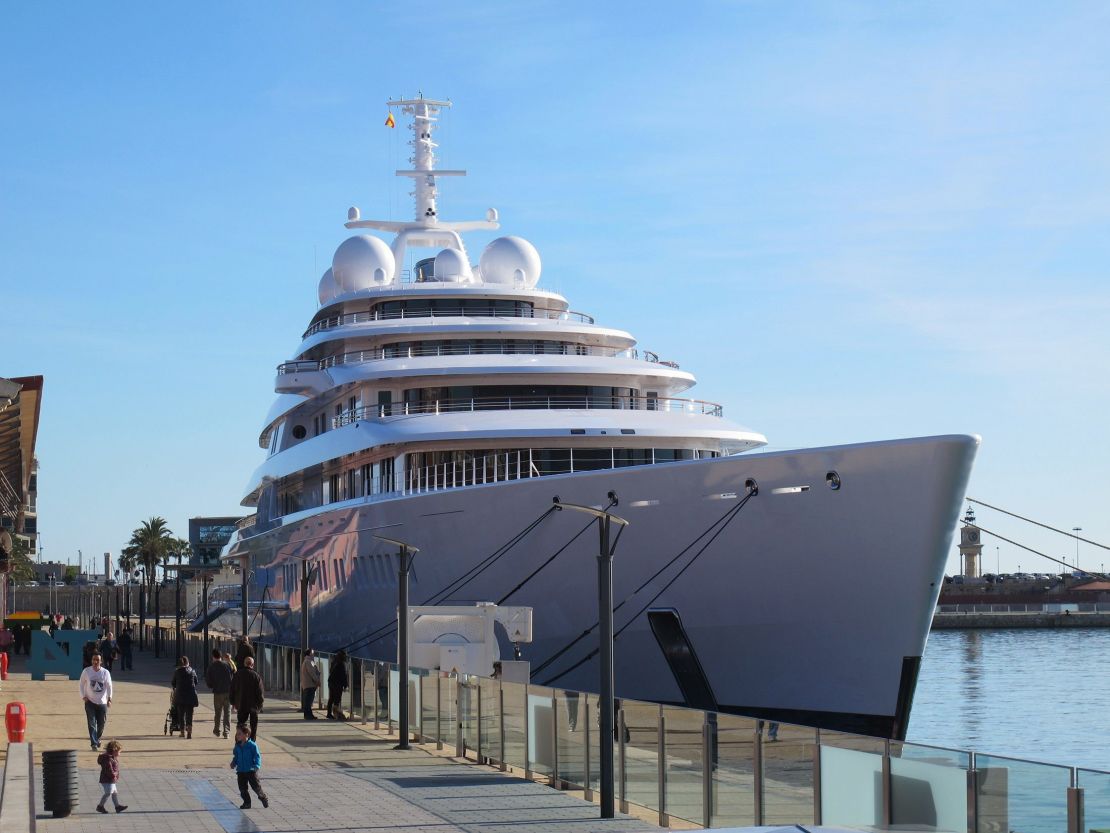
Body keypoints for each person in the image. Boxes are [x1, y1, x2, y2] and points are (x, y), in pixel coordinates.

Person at [79, 652, 113, 750]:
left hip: (102, 703)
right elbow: (81, 684)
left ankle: (97, 739)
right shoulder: (86, 671)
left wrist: (109, 698)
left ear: (101, 661)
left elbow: (109, 686)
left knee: (101, 724)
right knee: (92, 723)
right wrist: (83, 696)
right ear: (91, 661)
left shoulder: (105, 672)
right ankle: (94, 743)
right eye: (94, 659)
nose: (95, 661)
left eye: (97, 660)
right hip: (90, 702)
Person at [229, 725, 268, 809]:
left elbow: (257, 756)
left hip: (251, 770)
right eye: (237, 734)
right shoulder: (237, 746)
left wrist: (256, 765)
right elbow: (236, 756)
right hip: (240, 771)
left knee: (256, 787)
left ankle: (263, 797)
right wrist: (233, 763)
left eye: (240, 734)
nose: (237, 735)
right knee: (242, 788)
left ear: (246, 734)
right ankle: (247, 803)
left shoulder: (252, 745)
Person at [230, 656, 264, 740]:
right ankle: (252, 742)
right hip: (253, 705)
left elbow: (232, 689)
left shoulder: (237, 675)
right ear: (252, 665)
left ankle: (239, 741)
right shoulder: (256, 676)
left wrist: (233, 702)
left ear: (244, 663)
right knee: (253, 726)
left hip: (241, 704)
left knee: (241, 724)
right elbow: (260, 692)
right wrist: (260, 705)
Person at [205, 648, 234, 738]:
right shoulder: (227, 665)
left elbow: (209, 681)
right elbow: (233, 674)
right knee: (227, 712)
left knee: (218, 712)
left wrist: (212, 686)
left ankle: (217, 730)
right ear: (221, 656)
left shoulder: (211, 667)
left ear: (213, 656)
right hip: (227, 691)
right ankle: (226, 732)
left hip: (217, 692)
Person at [170, 656, 200, 739]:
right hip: (190, 696)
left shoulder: (177, 672)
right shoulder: (192, 671)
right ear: (188, 663)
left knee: (181, 714)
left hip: (180, 696)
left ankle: (182, 732)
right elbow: (196, 682)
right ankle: (189, 732)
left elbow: (173, 683)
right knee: (189, 715)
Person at [95, 740, 128, 814]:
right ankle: (100, 806)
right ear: (114, 751)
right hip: (108, 779)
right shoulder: (108, 759)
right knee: (108, 793)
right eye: (119, 752)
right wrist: (114, 775)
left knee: (114, 793)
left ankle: (117, 806)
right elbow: (109, 770)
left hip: (110, 779)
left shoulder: (112, 757)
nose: (120, 753)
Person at [326, 649, 348, 720]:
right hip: (337, 684)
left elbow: (330, 670)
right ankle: (336, 714)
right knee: (337, 699)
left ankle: (329, 714)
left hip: (331, 682)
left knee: (331, 698)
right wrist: (345, 685)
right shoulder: (341, 664)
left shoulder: (334, 661)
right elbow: (343, 675)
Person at [299, 648, 321, 720]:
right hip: (309, 684)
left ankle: (308, 715)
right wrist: (317, 681)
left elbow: (314, 671)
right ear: (309, 654)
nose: (313, 655)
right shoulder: (309, 661)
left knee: (308, 701)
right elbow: (312, 672)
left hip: (307, 684)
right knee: (309, 701)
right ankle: (308, 715)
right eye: (312, 653)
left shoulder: (308, 661)